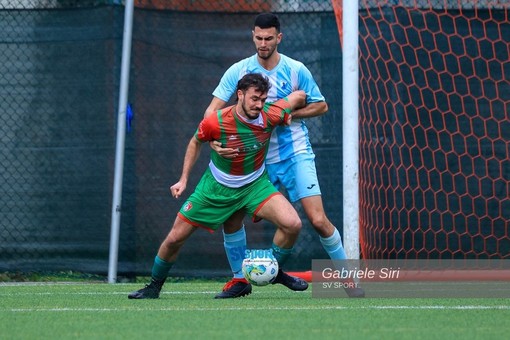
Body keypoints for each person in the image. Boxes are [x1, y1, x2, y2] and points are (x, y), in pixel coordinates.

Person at [205, 12, 365, 298]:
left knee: (317, 220)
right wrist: (213, 141)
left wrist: (290, 113)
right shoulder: (239, 71)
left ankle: (348, 281)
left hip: (296, 155)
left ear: (279, 38)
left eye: (268, 38)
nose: (262, 43)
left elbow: (322, 106)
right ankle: (239, 280)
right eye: (258, 38)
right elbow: (211, 112)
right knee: (232, 217)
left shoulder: (296, 69)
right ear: (252, 35)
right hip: (257, 160)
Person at [128, 73, 308, 299]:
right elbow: (195, 142)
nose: (259, 105)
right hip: (215, 188)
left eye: (263, 99)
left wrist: (293, 110)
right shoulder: (217, 121)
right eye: (254, 99)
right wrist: (183, 179)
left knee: (293, 224)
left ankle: (272, 271)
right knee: (174, 238)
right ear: (240, 95)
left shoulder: (270, 113)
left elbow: (299, 96)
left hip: (255, 185)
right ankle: (153, 287)